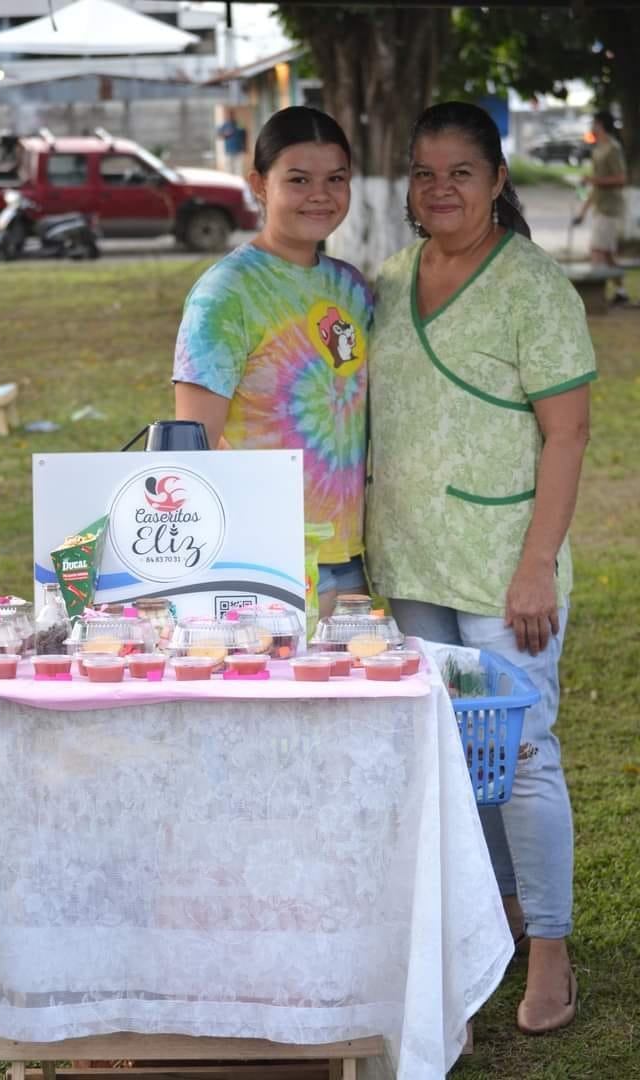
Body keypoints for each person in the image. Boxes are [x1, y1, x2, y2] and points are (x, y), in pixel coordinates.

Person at [366, 101, 597, 1036]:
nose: (441, 189)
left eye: (461, 170)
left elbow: (569, 433)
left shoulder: (535, 288)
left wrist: (538, 565)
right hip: (412, 562)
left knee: (524, 752)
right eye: (424, 173)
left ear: (499, 180)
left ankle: (550, 944)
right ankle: (489, 918)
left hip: (507, 570)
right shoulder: (384, 279)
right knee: (456, 760)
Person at [174, 105, 372, 617]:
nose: (320, 195)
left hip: (350, 554)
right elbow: (192, 447)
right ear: (259, 184)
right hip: (267, 560)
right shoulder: (225, 293)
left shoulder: (351, 286)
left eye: (336, 179)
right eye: (299, 179)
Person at [573, 110, 629, 304]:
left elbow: (621, 178)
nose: (591, 127)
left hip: (610, 208)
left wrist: (591, 179)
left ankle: (595, 298)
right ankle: (621, 291)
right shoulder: (598, 149)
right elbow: (596, 185)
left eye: (593, 123)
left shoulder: (613, 148)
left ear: (600, 124)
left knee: (597, 251)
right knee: (607, 254)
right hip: (600, 207)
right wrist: (582, 211)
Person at [216, 108, 247, 175]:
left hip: (238, 150)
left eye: (232, 114)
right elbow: (218, 135)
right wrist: (226, 134)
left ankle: (238, 183)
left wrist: (245, 148)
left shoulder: (238, 124)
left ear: (234, 115)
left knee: (238, 169)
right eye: (229, 115)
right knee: (229, 168)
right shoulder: (225, 125)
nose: (231, 116)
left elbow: (244, 135)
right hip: (229, 150)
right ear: (227, 116)